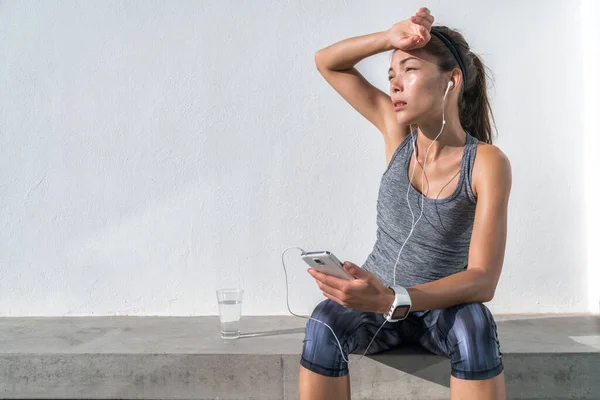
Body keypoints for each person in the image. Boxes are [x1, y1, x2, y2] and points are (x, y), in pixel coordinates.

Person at [301, 7, 512, 400]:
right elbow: (327, 62)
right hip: (375, 300)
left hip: (442, 309)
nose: (396, 85)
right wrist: (389, 37)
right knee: (323, 322)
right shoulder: (397, 133)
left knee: (474, 325)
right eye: (391, 75)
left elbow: (483, 279)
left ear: (452, 81)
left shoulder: (484, 163)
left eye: (410, 70)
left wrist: (394, 299)